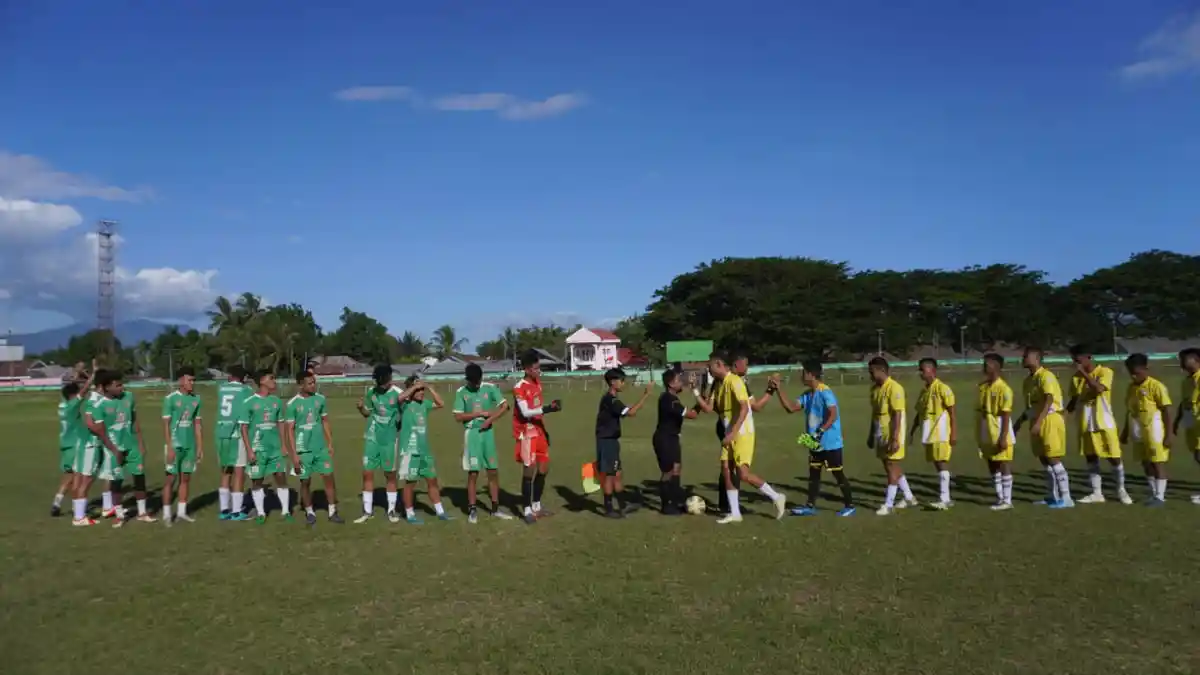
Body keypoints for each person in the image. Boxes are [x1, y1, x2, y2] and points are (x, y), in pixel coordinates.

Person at [703, 353, 786, 524]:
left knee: (743, 474)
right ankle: (735, 513)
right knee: (726, 470)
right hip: (729, 432)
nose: (709, 370)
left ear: (719, 364)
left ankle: (777, 496)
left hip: (741, 433)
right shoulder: (721, 384)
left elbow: (745, 409)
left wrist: (733, 432)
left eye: (710, 367)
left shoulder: (735, 381)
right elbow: (711, 408)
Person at [771, 361, 855, 516]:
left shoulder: (825, 392)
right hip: (814, 442)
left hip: (830, 443)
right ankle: (810, 506)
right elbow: (790, 408)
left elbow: (833, 414)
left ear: (811, 374)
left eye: (803, 372)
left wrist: (821, 431)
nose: (801, 375)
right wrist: (778, 389)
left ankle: (850, 506)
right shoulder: (807, 394)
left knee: (837, 474)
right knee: (814, 475)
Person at [354, 366, 421, 523]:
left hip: (390, 440)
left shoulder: (397, 393)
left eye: (385, 382)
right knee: (367, 473)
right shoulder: (372, 392)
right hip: (372, 437)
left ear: (390, 379)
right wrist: (360, 409)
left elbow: (405, 407)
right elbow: (367, 414)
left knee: (389, 475)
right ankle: (367, 511)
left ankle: (391, 510)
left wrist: (415, 388)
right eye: (380, 382)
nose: (382, 385)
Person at [1067, 345, 1130, 505]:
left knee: (1114, 457)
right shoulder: (1075, 378)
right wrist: (1062, 414)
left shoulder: (1104, 372)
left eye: (1079, 358)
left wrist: (1083, 373)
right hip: (1085, 422)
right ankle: (1097, 493)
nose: (1076, 362)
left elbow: (1099, 389)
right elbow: (1073, 401)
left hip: (1104, 422)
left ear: (1089, 356)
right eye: (1074, 359)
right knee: (1091, 457)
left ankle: (1121, 490)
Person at [452, 363, 513, 523]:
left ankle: (495, 509)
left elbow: (505, 406)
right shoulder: (461, 392)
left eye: (478, 381)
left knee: (493, 471)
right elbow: (458, 417)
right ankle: (472, 509)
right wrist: (478, 414)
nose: (477, 385)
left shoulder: (490, 388)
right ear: (468, 381)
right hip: (472, 435)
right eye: (474, 383)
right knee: (473, 473)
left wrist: (491, 419)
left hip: (488, 435)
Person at [1016, 346, 1072, 508]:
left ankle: (1067, 498)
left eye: (1026, 356)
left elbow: (1049, 399)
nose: (1023, 359)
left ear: (1036, 358)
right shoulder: (1028, 381)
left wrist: (1040, 421)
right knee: (1044, 459)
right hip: (1037, 419)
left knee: (1053, 458)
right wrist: (1020, 422)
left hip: (1050, 419)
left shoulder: (1046, 376)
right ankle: (1052, 496)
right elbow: (1031, 405)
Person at [286, 372, 343, 526]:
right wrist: (294, 455)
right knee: (305, 482)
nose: (313, 385)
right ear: (301, 385)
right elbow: (289, 430)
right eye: (310, 383)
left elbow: (325, 421)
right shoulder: (292, 404)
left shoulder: (320, 399)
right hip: (303, 451)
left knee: (329, 478)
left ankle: (333, 511)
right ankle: (310, 512)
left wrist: (330, 443)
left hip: (321, 449)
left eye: (314, 382)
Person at [594, 368, 653, 518]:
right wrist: (646, 395)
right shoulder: (610, 400)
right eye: (622, 381)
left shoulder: (612, 399)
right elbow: (631, 412)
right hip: (606, 442)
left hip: (612, 441)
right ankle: (608, 509)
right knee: (609, 475)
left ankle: (622, 505)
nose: (624, 384)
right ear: (613, 382)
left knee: (617, 474)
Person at [513, 350, 562, 525]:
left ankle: (537, 505)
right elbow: (525, 412)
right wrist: (549, 408)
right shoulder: (519, 387)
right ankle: (526, 509)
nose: (538, 371)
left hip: (539, 431)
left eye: (539, 367)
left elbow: (537, 408)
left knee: (543, 469)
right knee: (529, 470)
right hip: (526, 433)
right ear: (526, 369)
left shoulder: (537, 383)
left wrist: (545, 427)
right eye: (535, 368)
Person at [74, 370, 128, 528]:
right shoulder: (94, 400)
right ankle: (79, 516)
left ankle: (106, 507)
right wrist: (106, 436)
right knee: (87, 479)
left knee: (105, 475)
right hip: (90, 444)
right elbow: (91, 423)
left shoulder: (100, 399)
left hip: (97, 444)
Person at [1121, 353, 1173, 506]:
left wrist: (1169, 434)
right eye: (1131, 373)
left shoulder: (1156, 386)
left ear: (1145, 369)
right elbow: (1130, 410)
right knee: (1145, 462)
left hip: (1154, 429)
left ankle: (1160, 496)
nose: (1133, 376)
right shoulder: (1131, 388)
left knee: (1157, 462)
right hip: (1137, 428)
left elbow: (1167, 410)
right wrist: (1125, 432)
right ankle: (1153, 493)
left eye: (1136, 373)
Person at [239, 370, 291, 524]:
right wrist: (249, 450)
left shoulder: (276, 401)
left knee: (281, 477)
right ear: (262, 381)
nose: (274, 381)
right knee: (257, 481)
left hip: (275, 448)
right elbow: (243, 428)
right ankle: (261, 513)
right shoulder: (249, 403)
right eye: (271, 378)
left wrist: (283, 445)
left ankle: (286, 510)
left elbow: (280, 423)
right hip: (257, 449)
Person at [397, 376, 449, 524]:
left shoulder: (424, 404)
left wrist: (428, 387)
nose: (421, 392)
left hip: (424, 450)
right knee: (410, 483)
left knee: (432, 480)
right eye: (418, 390)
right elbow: (399, 398)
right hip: (410, 451)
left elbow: (441, 403)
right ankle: (409, 514)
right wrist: (414, 386)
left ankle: (440, 512)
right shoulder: (405, 405)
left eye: (422, 390)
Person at [868, 357, 916, 515]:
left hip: (893, 431)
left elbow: (897, 414)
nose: (870, 375)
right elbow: (874, 414)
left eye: (872, 372)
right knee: (889, 466)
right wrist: (871, 434)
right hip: (880, 431)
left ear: (881, 370)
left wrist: (895, 438)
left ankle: (888, 504)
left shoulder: (895, 388)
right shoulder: (874, 390)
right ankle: (909, 497)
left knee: (891, 467)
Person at [909, 358, 957, 509]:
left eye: (923, 370)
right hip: (928, 431)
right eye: (920, 370)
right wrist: (912, 430)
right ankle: (946, 493)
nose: (920, 373)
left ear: (933, 371)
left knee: (941, 461)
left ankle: (945, 498)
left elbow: (952, 412)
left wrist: (953, 432)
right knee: (936, 462)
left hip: (941, 431)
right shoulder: (924, 391)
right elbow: (919, 412)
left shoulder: (943, 388)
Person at [653, 368, 701, 515]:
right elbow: (692, 415)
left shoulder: (671, 398)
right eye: (678, 381)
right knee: (667, 472)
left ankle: (674, 501)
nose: (681, 383)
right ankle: (666, 505)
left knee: (676, 469)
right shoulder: (669, 400)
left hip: (672, 437)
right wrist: (700, 399)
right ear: (671, 384)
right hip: (664, 439)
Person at [161, 366, 204, 526]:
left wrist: (200, 446)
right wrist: (169, 446)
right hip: (175, 444)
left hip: (189, 445)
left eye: (193, 380)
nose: (192, 383)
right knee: (170, 480)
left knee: (185, 478)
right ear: (181, 381)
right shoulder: (170, 399)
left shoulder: (196, 399)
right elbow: (165, 425)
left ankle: (181, 512)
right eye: (189, 379)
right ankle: (166, 515)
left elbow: (198, 424)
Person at [51, 364, 95, 517]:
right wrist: (93, 374)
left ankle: (57, 502)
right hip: (75, 444)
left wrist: (77, 373)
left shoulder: (62, 404)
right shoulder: (72, 406)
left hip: (64, 444)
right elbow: (84, 391)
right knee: (78, 476)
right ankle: (79, 507)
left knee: (68, 476)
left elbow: (72, 388)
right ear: (72, 396)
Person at [110, 377, 154, 523]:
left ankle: (142, 513)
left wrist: (140, 442)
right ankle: (119, 515)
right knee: (116, 480)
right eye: (118, 385)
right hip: (114, 447)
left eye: (122, 384)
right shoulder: (102, 403)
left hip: (132, 444)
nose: (122, 388)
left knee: (139, 477)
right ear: (108, 387)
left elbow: (134, 421)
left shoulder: (129, 397)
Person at [978, 353, 1017, 511]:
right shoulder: (983, 386)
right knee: (991, 462)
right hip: (986, 426)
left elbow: (1006, 413)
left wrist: (1003, 436)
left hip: (999, 425)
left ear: (996, 366)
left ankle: (1007, 500)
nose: (984, 367)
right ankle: (1000, 497)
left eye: (986, 364)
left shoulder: (1004, 389)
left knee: (1003, 462)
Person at [215, 365, 253, 521]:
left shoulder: (221, 389)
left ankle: (224, 510)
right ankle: (237, 511)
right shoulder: (246, 391)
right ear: (243, 378)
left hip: (221, 433)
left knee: (225, 471)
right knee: (239, 472)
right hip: (236, 433)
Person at [1174, 348, 1200, 504]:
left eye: (1184, 359)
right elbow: (1184, 402)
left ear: (1195, 360)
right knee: (1196, 455)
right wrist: (1177, 421)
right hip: (1191, 421)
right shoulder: (1186, 381)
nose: (1182, 363)